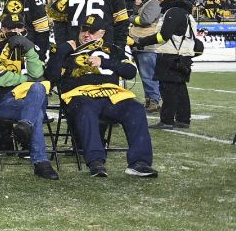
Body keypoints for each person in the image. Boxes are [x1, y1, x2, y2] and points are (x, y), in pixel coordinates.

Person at [45, 15, 157, 178]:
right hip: (80, 95)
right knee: (86, 108)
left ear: (102, 32)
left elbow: (130, 72)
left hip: (112, 95)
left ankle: (139, 163)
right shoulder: (68, 50)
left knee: (135, 108)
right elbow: (52, 76)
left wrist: (104, 62)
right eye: (84, 30)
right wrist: (62, 52)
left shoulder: (113, 49)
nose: (86, 35)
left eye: (92, 31)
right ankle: (96, 161)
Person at [0, 11, 57, 180]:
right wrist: (28, 79)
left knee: (38, 88)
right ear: (3, 28)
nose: (16, 31)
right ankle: (41, 162)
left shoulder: (32, 46)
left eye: (20, 27)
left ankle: (25, 125)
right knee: (37, 113)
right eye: (12, 27)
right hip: (6, 101)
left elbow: (38, 74)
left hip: (31, 98)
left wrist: (29, 48)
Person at [135, 0, 205, 129]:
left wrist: (143, 41)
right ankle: (183, 119)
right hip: (183, 56)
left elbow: (164, 36)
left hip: (171, 56)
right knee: (180, 89)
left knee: (169, 89)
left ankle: (167, 120)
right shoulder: (184, 12)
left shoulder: (172, 12)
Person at [129, 0, 166, 113]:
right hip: (141, 44)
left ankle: (154, 102)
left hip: (146, 45)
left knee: (148, 75)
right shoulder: (150, 1)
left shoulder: (154, 2)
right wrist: (137, 6)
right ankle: (151, 101)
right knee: (146, 75)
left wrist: (131, 18)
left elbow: (146, 20)